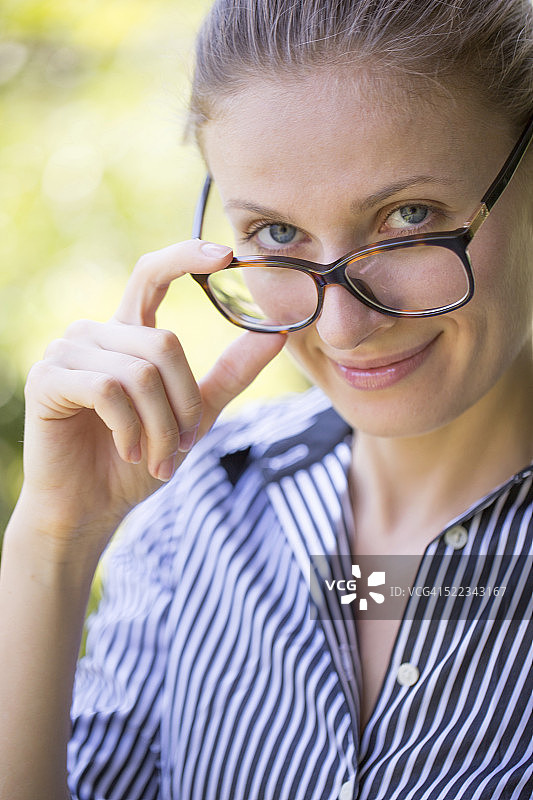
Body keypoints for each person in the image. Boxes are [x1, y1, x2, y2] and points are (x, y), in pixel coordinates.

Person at [1, 0, 532, 798]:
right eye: (278, 235)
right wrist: (54, 542)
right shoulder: (195, 506)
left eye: (408, 218)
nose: (345, 327)